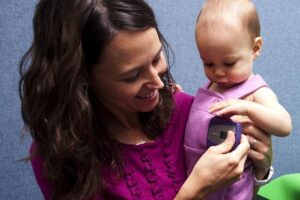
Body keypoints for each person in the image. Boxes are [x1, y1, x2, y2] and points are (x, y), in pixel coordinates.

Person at [19, 0, 273, 199]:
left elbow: (236, 194)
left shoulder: (190, 112)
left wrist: (260, 170)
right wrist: (193, 192)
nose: (159, 83)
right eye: (132, 75)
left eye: (155, 59)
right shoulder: (61, 156)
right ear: (81, 79)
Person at [184, 0, 292, 199]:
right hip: (200, 187)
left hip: (233, 192)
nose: (218, 72)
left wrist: (248, 108)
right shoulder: (211, 86)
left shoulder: (255, 91)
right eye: (208, 63)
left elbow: (285, 126)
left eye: (229, 63)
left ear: (255, 48)